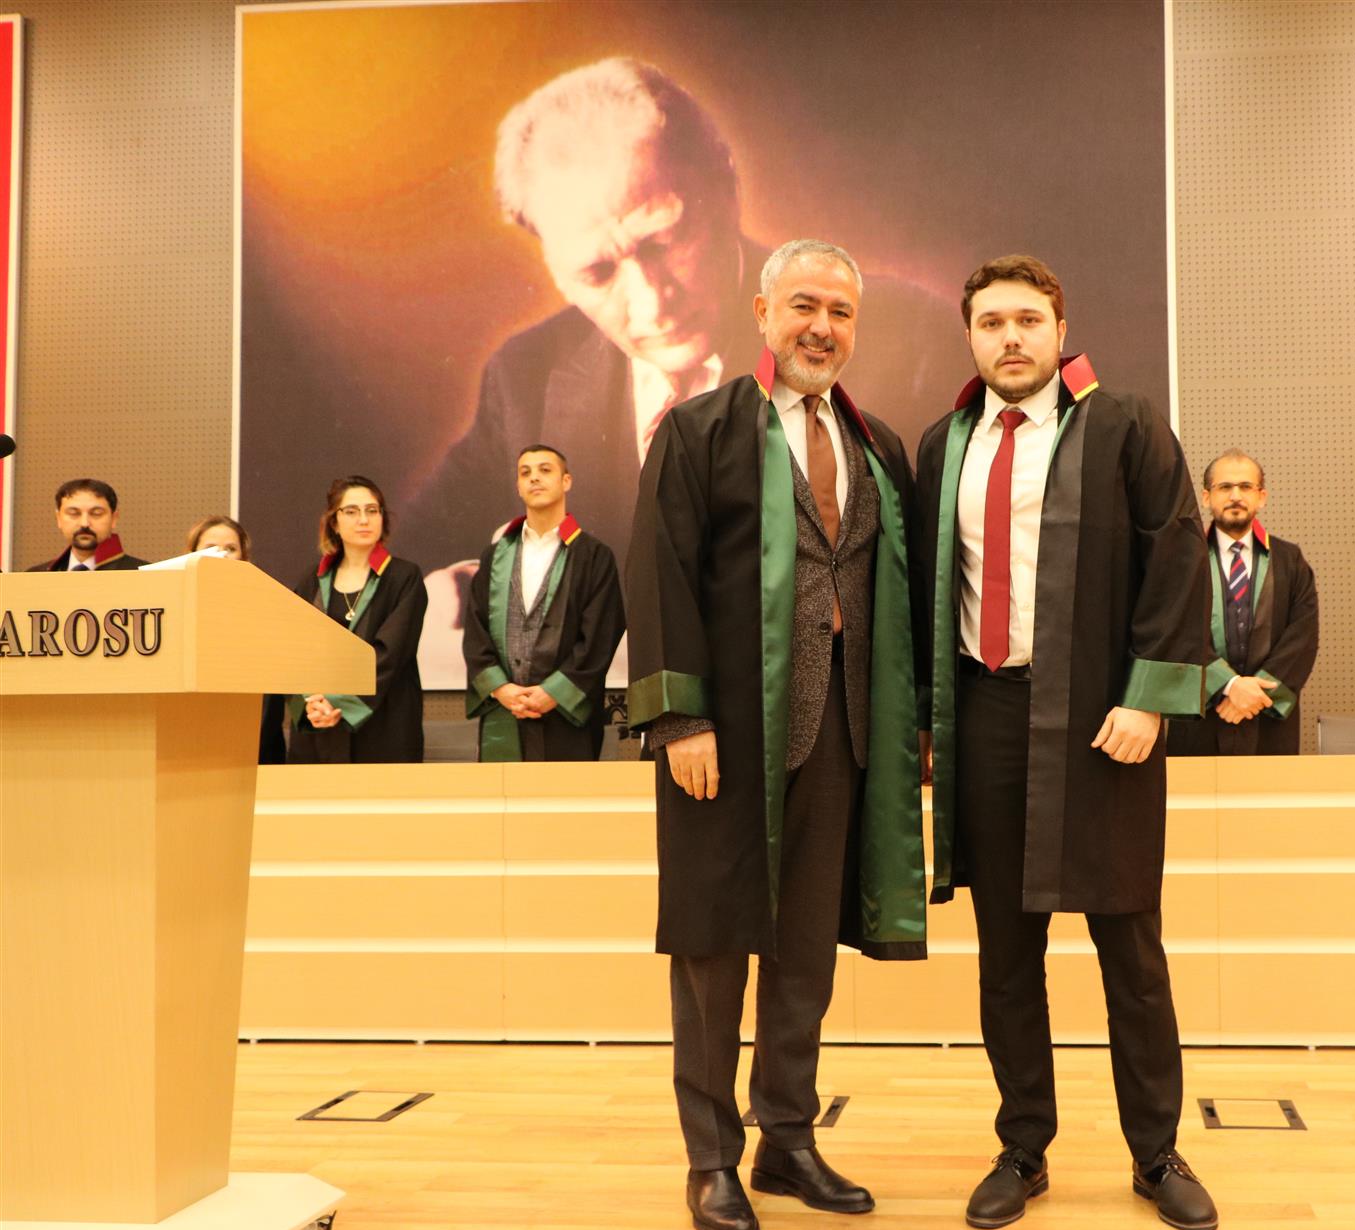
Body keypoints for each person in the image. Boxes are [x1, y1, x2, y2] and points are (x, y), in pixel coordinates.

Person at [407, 57, 947, 686]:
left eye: (663, 241)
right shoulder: (526, 373)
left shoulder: (907, 340)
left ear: (727, 185)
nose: (651, 302)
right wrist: (428, 593)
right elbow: (400, 550)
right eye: (597, 273)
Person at [626, 240, 925, 1230]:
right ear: (761, 311)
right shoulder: (699, 430)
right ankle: (711, 1159)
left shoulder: (879, 446)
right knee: (714, 949)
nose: (822, 328)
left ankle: (786, 1139)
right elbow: (659, 574)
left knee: (805, 952)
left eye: (840, 312)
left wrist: (913, 725)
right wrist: (679, 717)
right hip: (725, 737)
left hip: (843, 731)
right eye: (804, 305)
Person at [914, 255, 1219, 1230]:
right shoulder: (944, 445)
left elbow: (1178, 558)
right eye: (991, 322)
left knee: (1129, 946)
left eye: (1027, 320)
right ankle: (1022, 1146)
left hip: (1101, 722)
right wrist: (925, 720)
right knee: (1007, 954)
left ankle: (1157, 1151)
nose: (1010, 337)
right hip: (987, 717)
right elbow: (923, 590)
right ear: (970, 335)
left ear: (1060, 328)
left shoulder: (1124, 425)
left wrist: (1149, 700)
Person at [461, 445, 624, 761]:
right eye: (526, 473)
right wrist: (501, 689)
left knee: (564, 793)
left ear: (566, 481)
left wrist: (554, 692)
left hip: (566, 715)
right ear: (518, 486)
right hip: (505, 709)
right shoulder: (495, 556)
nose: (534, 478)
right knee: (502, 792)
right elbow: (476, 629)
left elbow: (601, 635)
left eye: (545, 470)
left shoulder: (593, 556)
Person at [1167, 450, 1319, 756]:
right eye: (1225, 487)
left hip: (1267, 716)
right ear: (1206, 497)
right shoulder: (1182, 561)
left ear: (1261, 497)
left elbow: (1302, 638)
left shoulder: (1290, 561)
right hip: (1200, 717)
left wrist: (1254, 694)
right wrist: (1228, 685)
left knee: (1270, 788)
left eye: (1246, 487)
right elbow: (1174, 633)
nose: (1235, 496)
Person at [287, 477, 427, 764]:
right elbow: (295, 653)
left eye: (372, 510)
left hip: (384, 725)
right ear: (334, 522)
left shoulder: (404, 577)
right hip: (318, 725)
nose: (364, 519)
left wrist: (339, 702)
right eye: (351, 511)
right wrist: (311, 703)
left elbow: (390, 654)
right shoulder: (311, 580)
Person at [186, 515, 287, 765]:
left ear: (244, 558)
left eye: (230, 549)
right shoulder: (177, 611)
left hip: (255, 749)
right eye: (211, 548)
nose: (221, 555)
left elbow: (269, 698)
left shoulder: (265, 612)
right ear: (191, 555)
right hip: (190, 745)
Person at [27, 479, 147, 571]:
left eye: (96, 513)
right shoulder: (34, 577)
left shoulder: (143, 575)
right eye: (74, 513)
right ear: (58, 518)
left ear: (114, 518)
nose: (84, 523)